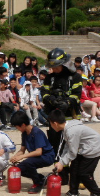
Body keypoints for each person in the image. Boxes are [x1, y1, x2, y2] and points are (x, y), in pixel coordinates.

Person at [40, 48, 82, 184]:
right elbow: (44, 93)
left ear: (63, 63)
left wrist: (68, 102)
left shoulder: (75, 76)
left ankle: (76, 176)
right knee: (56, 145)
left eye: (56, 66)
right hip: (55, 119)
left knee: (73, 146)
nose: (54, 69)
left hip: (71, 116)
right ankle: (62, 175)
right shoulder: (49, 77)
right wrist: (52, 100)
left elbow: (77, 94)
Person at [48, 109, 100, 196]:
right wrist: (61, 161)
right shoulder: (66, 128)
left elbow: (72, 152)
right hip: (84, 148)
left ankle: (97, 193)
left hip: (93, 148)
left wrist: (62, 163)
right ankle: (73, 193)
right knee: (74, 169)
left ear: (55, 123)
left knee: (84, 173)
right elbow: (67, 146)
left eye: (50, 124)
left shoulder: (71, 131)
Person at [10, 111, 54, 194]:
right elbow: (22, 150)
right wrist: (16, 156)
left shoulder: (37, 132)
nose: (17, 129)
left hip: (47, 156)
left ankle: (38, 183)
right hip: (36, 157)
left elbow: (39, 152)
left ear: (23, 125)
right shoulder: (24, 134)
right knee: (19, 169)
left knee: (28, 162)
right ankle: (42, 179)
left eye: (17, 127)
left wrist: (22, 157)